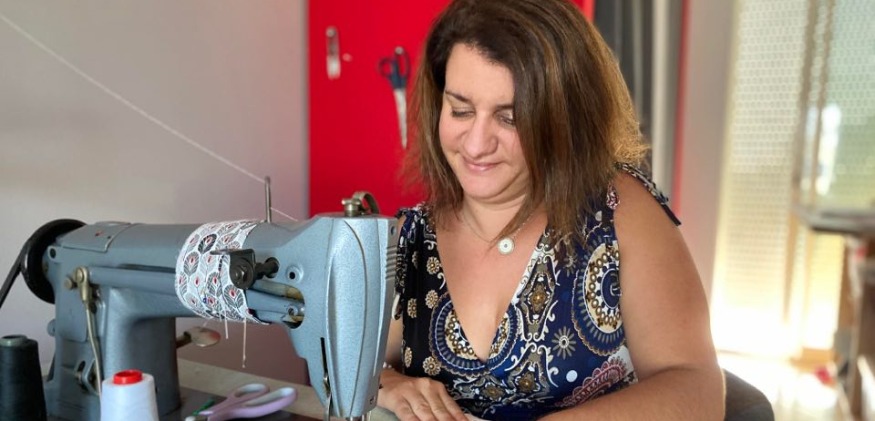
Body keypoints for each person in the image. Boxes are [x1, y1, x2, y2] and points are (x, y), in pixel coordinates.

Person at [376, 0, 725, 419]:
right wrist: (385, 383)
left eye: (510, 118)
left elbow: (696, 387)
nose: (476, 144)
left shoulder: (618, 214)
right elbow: (340, 363)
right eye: (461, 110)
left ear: (562, 118)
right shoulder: (412, 240)